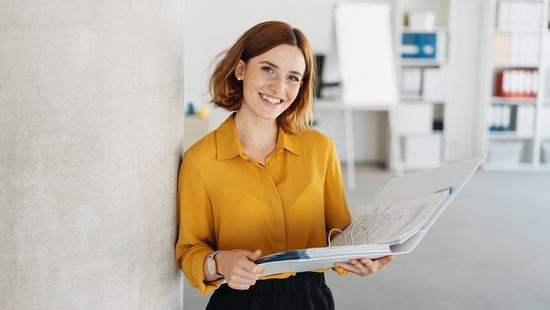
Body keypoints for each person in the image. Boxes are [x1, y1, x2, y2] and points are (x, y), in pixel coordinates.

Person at [175, 21, 394, 310]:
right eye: (268, 69)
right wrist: (219, 262)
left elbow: (339, 233)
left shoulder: (320, 149)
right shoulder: (201, 160)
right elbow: (189, 251)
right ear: (240, 70)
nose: (279, 87)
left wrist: (362, 256)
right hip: (240, 302)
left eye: (293, 77)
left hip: (312, 300)